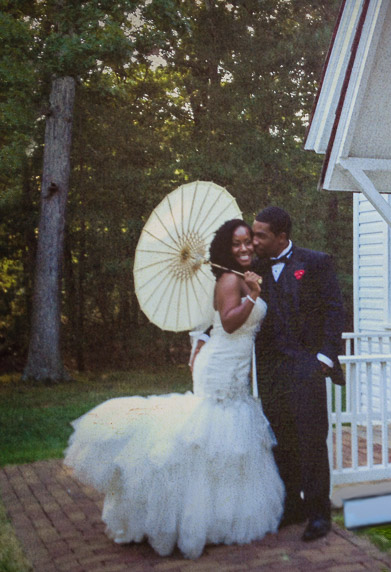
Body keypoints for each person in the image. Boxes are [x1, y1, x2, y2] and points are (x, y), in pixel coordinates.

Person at [63, 219, 284, 559]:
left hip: (233, 364)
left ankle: (220, 516)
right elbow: (228, 321)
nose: (244, 248)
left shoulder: (237, 277)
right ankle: (193, 517)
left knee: (226, 437)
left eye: (247, 243)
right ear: (227, 248)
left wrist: (209, 334)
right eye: (237, 244)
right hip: (222, 368)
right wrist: (253, 298)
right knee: (213, 435)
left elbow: (213, 325)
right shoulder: (229, 279)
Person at [251, 206, 345, 542]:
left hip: (306, 367)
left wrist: (324, 357)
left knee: (311, 442)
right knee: (282, 441)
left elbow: (335, 311)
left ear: (281, 236)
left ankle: (319, 513)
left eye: (260, 234)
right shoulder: (253, 268)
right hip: (271, 371)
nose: (254, 239)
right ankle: (293, 507)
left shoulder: (316, 262)